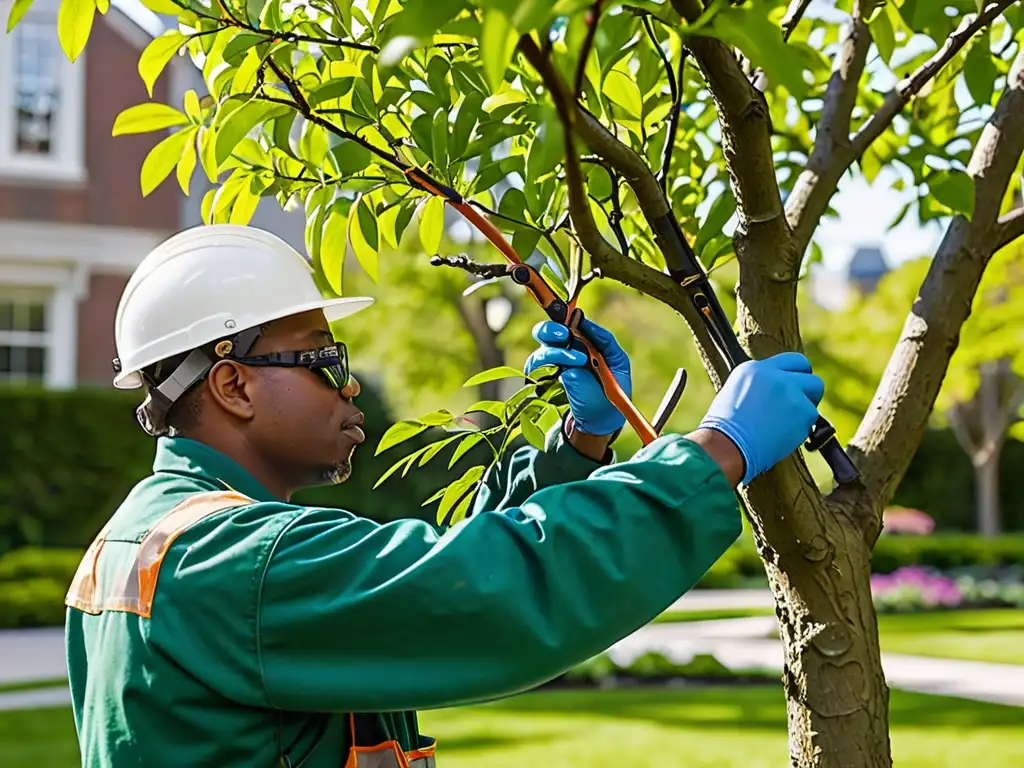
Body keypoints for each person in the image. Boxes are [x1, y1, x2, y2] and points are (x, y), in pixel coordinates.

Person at [64, 223, 826, 768]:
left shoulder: (156, 538)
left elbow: (422, 575)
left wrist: (579, 444)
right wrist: (716, 451)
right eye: (324, 359)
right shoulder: (232, 561)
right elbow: (492, 591)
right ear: (232, 384)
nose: (350, 382)